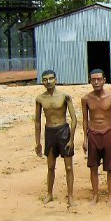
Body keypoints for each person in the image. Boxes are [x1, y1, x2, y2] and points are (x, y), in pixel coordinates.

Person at [34, 69, 78, 206]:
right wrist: (37, 142)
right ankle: (49, 194)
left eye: (51, 78)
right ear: (42, 81)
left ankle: (70, 196)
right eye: (45, 79)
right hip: (50, 132)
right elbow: (37, 121)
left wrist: (71, 139)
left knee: (69, 167)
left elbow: (74, 119)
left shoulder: (64, 96)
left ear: (56, 80)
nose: (48, 82)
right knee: (50, 166)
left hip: (63, 131)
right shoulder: (40, 99)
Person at [81, 69, 111, 206]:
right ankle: (95, 196)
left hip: (108, 133)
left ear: (104, 80)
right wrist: (85, 139)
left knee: (110, 167)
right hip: (93, 133)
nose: (96, 82)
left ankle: (110, 196)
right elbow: (85, 119)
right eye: (93, 79)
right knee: (93, 166)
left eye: (99, 79)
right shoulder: (86, 99)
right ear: (90, 81)